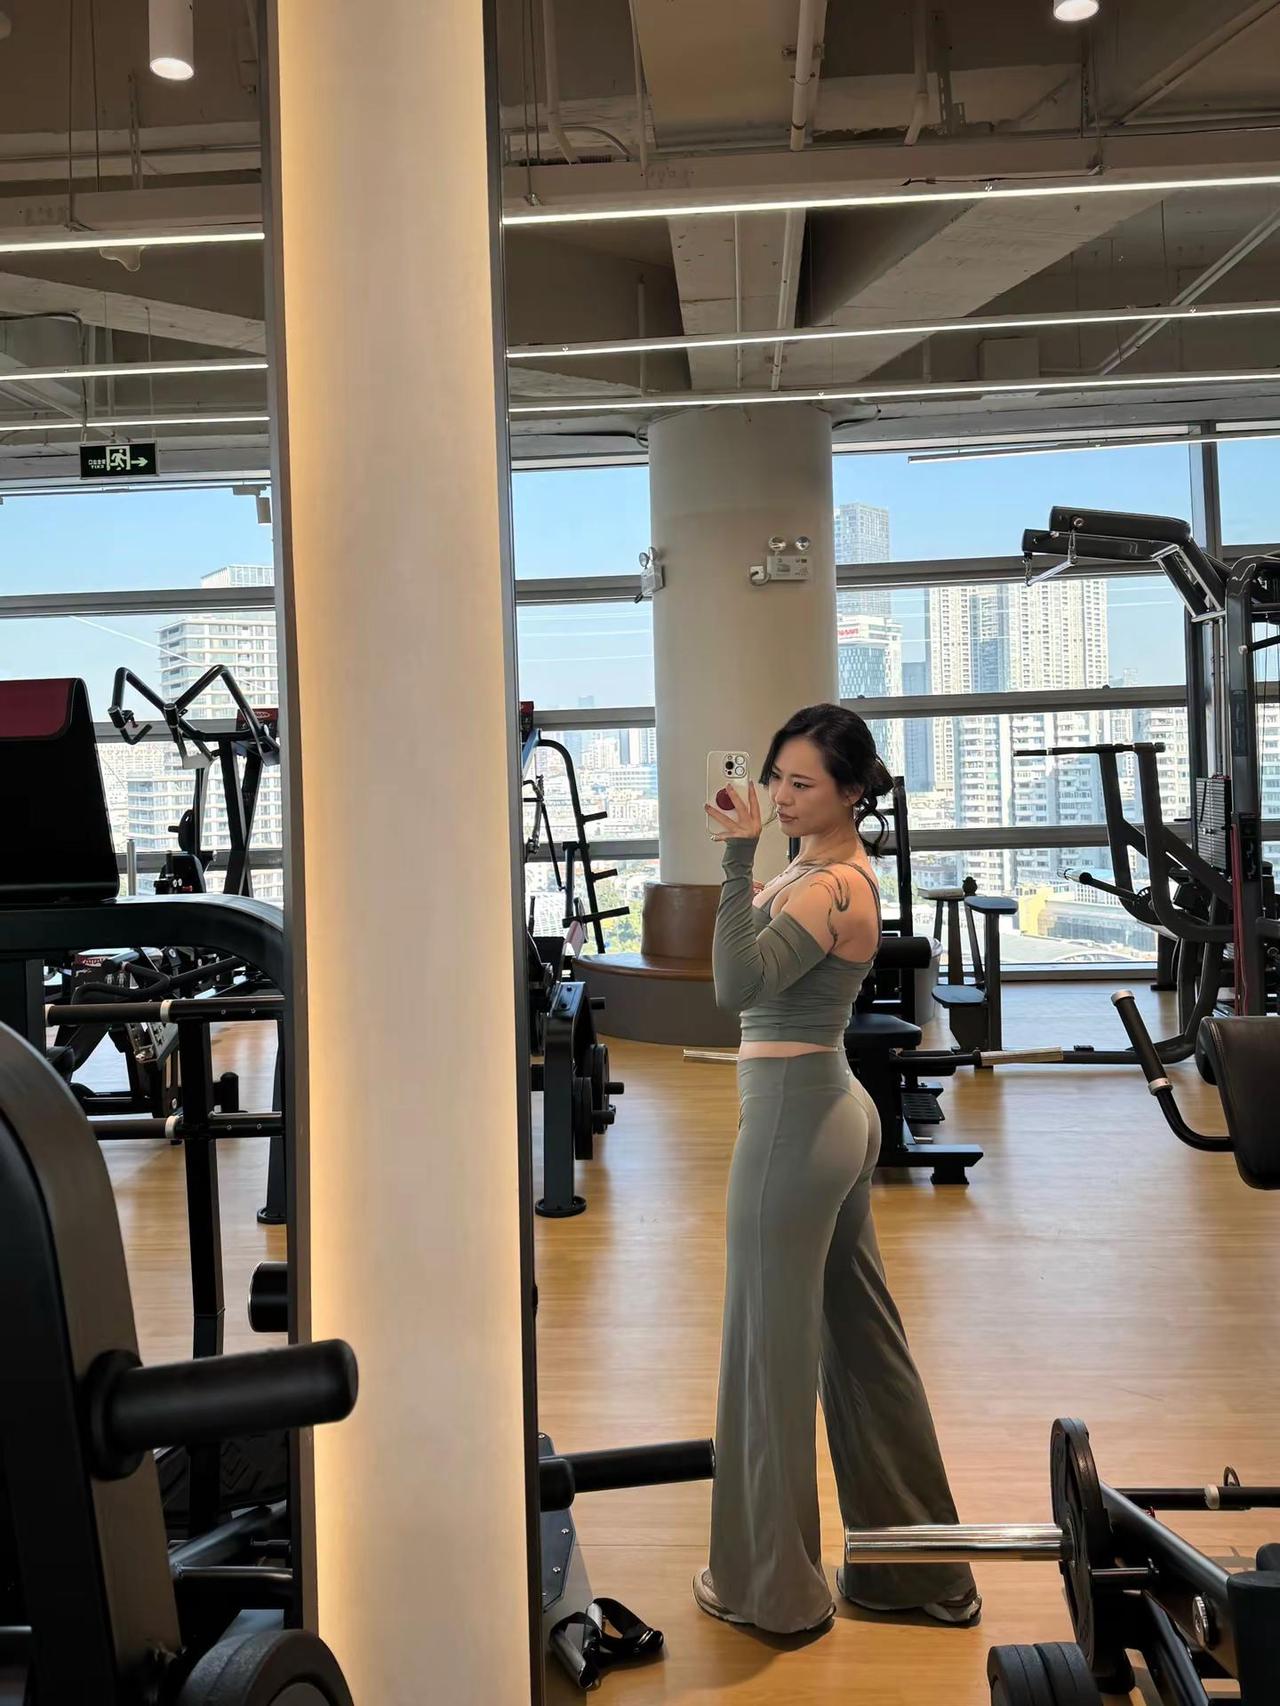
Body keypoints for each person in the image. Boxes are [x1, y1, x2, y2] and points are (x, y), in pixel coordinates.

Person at [693, 702, 979, 1637]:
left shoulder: (832, 888)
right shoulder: (817, 872)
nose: (780, 796)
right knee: (863, 1347)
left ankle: (771, 1592)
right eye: (775, 776)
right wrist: (751, 870)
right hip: (827, 1108)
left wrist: (733, 862)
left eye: (801, 782)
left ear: (851, 790)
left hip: (795, 1121)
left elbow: (735, 986)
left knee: (766, 1358)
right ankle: (922, 1572)